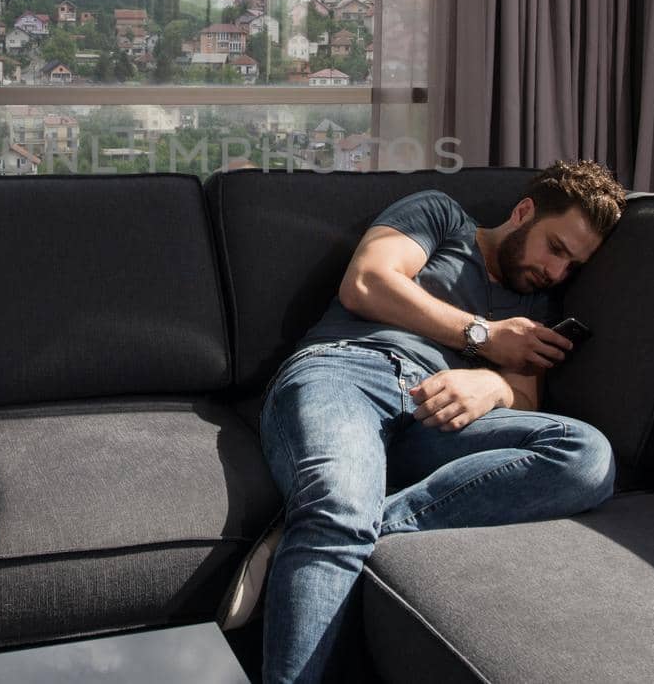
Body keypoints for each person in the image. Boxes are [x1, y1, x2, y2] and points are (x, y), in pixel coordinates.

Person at [237, 160, 627, 684]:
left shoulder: (538, 299)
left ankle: (324, 534)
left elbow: (528, 394)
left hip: (439, 419)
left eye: (572, 266)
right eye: (555, 248)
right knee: (338, 505)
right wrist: (484, 337)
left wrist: (492, 386)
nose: (556, 272)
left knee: (587, 456)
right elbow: (367, 282)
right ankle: (332, 523)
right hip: (348, 371)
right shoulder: (441, 215)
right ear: (524, 211)